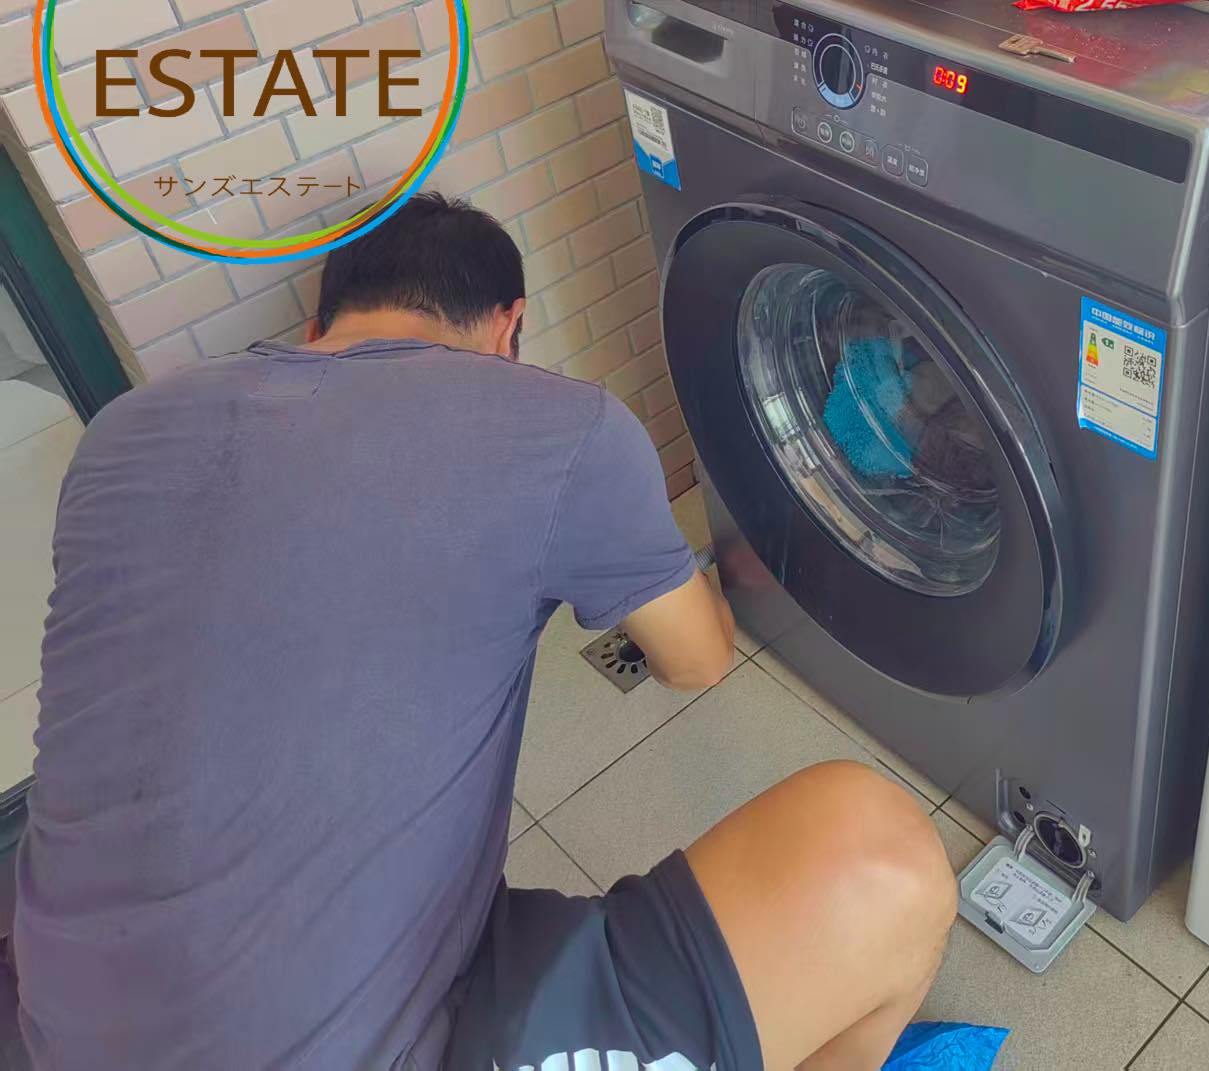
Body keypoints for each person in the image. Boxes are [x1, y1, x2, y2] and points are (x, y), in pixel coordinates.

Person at [11, 194, 956, 1070]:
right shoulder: (559, 425)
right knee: (879, 856)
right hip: (371, 1048)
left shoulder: (123, 431)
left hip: (54, 1020)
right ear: (510, 326)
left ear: (317, 322)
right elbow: (697, 660)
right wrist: (705, 577)